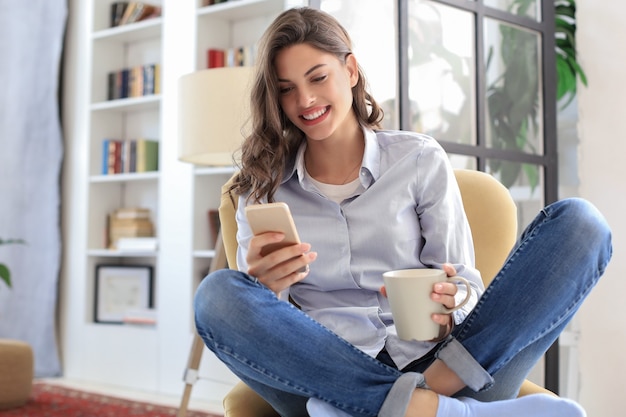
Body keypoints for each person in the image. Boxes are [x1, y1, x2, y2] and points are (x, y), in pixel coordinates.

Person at [193, 7, 612, 417]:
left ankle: (416, 399)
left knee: (581, 225)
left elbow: (463, 282)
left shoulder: (417, 159)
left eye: (318, 77)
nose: (305, 99)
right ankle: (428, 408)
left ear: (351, 71)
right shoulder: (261, 185)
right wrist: (265, 288)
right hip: (323, 374)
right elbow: (267, 327)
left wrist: (450, 309)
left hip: (445, 365)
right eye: (286, 88)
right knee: (217, 296)